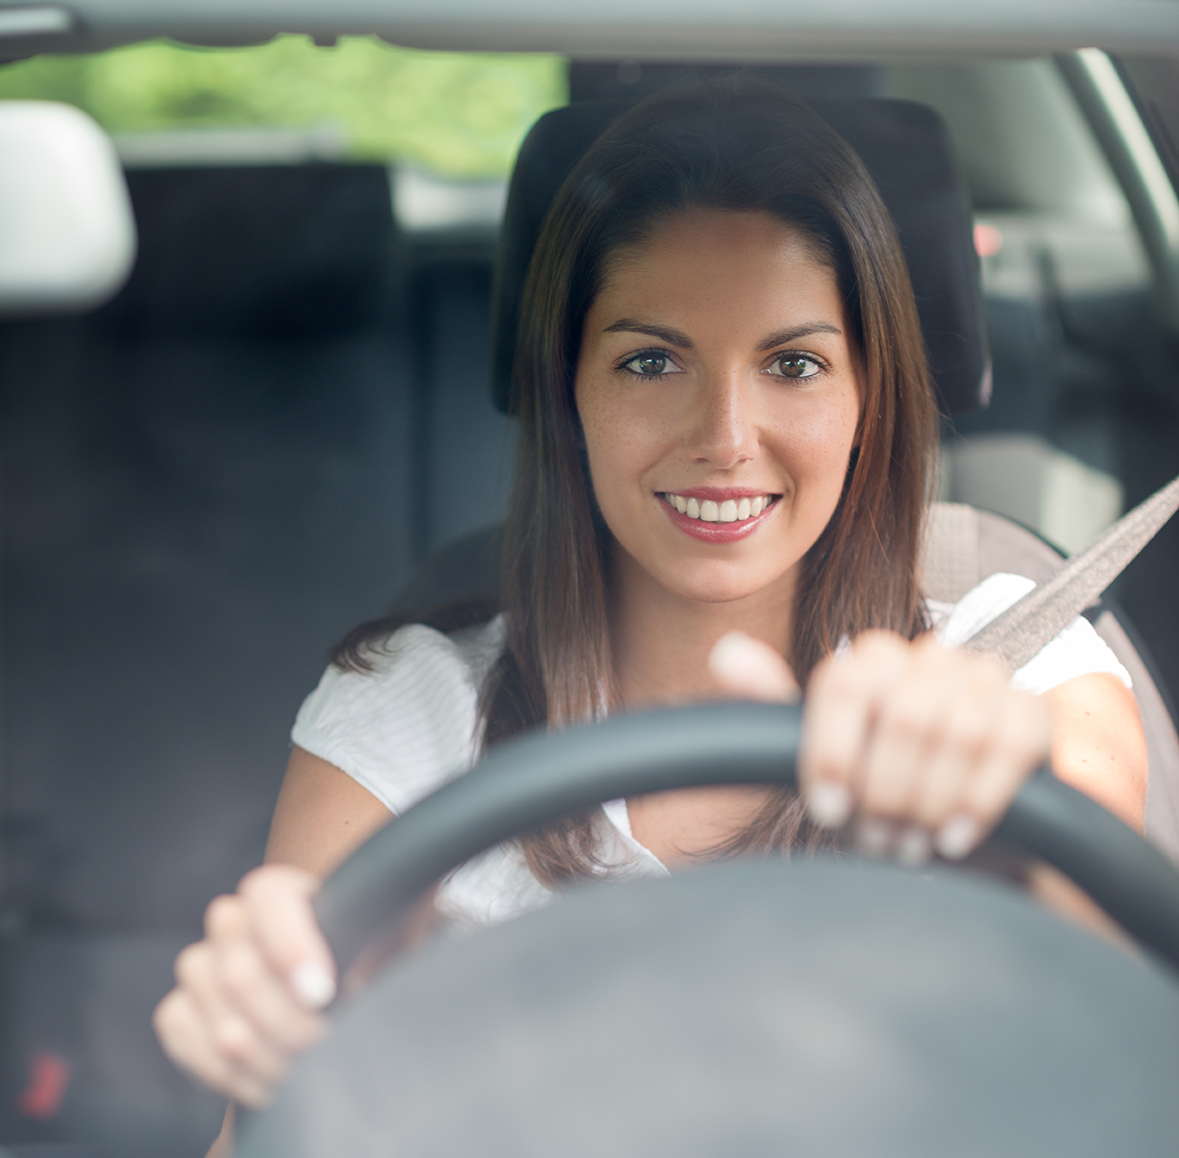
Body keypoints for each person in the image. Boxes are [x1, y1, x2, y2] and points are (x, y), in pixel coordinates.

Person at [153, 82, 1147, 1144]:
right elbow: (254, 1132)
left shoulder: (1017, 674)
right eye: (651, 361)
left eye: (795, 364)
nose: (724, 435)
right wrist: (310, 1066)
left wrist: (996, 865)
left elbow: (1127, 1053)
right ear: (568, 392)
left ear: (870, 398)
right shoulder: (412, 714)